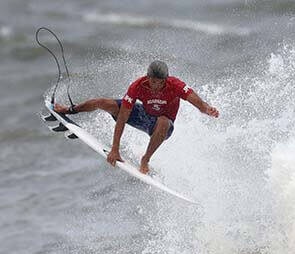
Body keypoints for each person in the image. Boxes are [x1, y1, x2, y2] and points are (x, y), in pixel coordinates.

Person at [54, 60, 219, 174]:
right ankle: (69, 110)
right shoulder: (138, 86)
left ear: (165, 80)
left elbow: (194, 99)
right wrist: (115, 149)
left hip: (163, 127)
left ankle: (145, 160)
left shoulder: (175, 85)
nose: (155, 85)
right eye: (152, 81)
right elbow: (123, 117)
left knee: (163, 121)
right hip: (143, 115)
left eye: (160, 82)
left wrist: (206, 109)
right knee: (103, 102)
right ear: (148, 77)